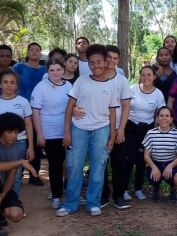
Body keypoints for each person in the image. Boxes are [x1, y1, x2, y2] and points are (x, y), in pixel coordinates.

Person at [56, 44, 119, 217]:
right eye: (92, 63)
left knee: (98, 168)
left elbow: (113, 113)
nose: (96, 66)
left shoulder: (112, 85)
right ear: (88, 65)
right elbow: (70, 107)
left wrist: (112, 137)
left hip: (101, 130)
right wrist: (67, 131)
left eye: (99, 62)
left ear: (105, 62)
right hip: (79, 129)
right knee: (74, 166)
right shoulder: (82, 81)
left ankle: (93, 203)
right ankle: (70, 204)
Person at [0, 69, 34, 199]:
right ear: (0, 84)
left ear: (16, 85)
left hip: (19, 142)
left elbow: (28, 124)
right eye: (5, 82)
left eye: (12, 82)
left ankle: (14, 201)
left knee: (16, 175)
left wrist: (31, 147)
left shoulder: (23, 102)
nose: (9, 85)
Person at [30, 59, 73, 209]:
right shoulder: (41, 87)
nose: (55, 73)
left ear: (63, 69)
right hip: (49, 133)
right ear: (47, 72)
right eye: (52, 70)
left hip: (67, 131)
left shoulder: (69, 86)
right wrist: (39, 134)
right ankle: (56, 196)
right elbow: (35, 111)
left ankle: (70, 192)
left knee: (70, 164)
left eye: (58, 69)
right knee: (55, 165)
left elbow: (73, 107)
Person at [121, 65, 166, 204]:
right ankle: (124, 189)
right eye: (143, 75)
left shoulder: (158, 94)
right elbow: (123, 107)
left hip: (147, 130)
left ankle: (138, 189)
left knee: (142, 159)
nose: (146, 78)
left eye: (149, 75)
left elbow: (160, 114)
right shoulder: (132, 89)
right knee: (128, 159)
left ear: (154, 76)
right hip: (130, 128)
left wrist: (156, 132)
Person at [97, 45, 132, 208]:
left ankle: (118, 195)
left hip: (118, 127)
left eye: (115, 58)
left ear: (118, 61)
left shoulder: (121, 80)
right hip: (99, 127)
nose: (111, 61)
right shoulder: (96, 77)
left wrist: (122, 128)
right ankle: (102, 195)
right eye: (109, 57)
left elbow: (126, 106)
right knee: (100, 162)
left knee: (119, 162)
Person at [12, 42, 47, 187]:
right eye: (31, 49)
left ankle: (34, 174)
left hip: (39, 112)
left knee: (36, 145)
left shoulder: (45, 71)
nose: (34, 51)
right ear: (27, 53)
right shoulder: (18, 67)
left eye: (37, 50)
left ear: (40, 54)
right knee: (19, 143)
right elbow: (11, 84)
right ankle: (16, 176)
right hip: (19, 111)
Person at [143, 106, 177, 203]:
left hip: (172, 163)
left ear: (171, 119)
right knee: (153, 176)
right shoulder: (151, 133)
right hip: (156, 163)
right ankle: (156, 189)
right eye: (161, 115)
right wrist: (153, 167)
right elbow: (146, 155)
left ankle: (173, 189)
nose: (164, 118)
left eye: (167, 116)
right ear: (157, 118)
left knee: (173, 176)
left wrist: (170, 166)